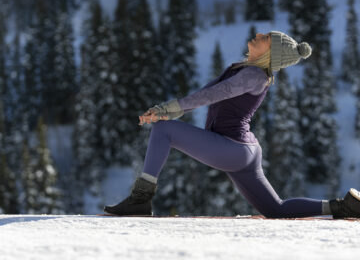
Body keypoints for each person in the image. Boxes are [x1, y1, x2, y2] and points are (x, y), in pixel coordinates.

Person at [104, 30, 360, 219]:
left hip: (233, 148)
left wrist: (168, 113)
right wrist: (164, 111)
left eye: (265, 38)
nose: (258, 35)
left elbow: (214, 95)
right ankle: (342, 206)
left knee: (164, 132)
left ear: (271, 53)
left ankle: (141, 199)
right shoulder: (241, 69)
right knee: (275, 209)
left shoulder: (254, 76)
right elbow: (205, 93)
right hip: (243, 151)